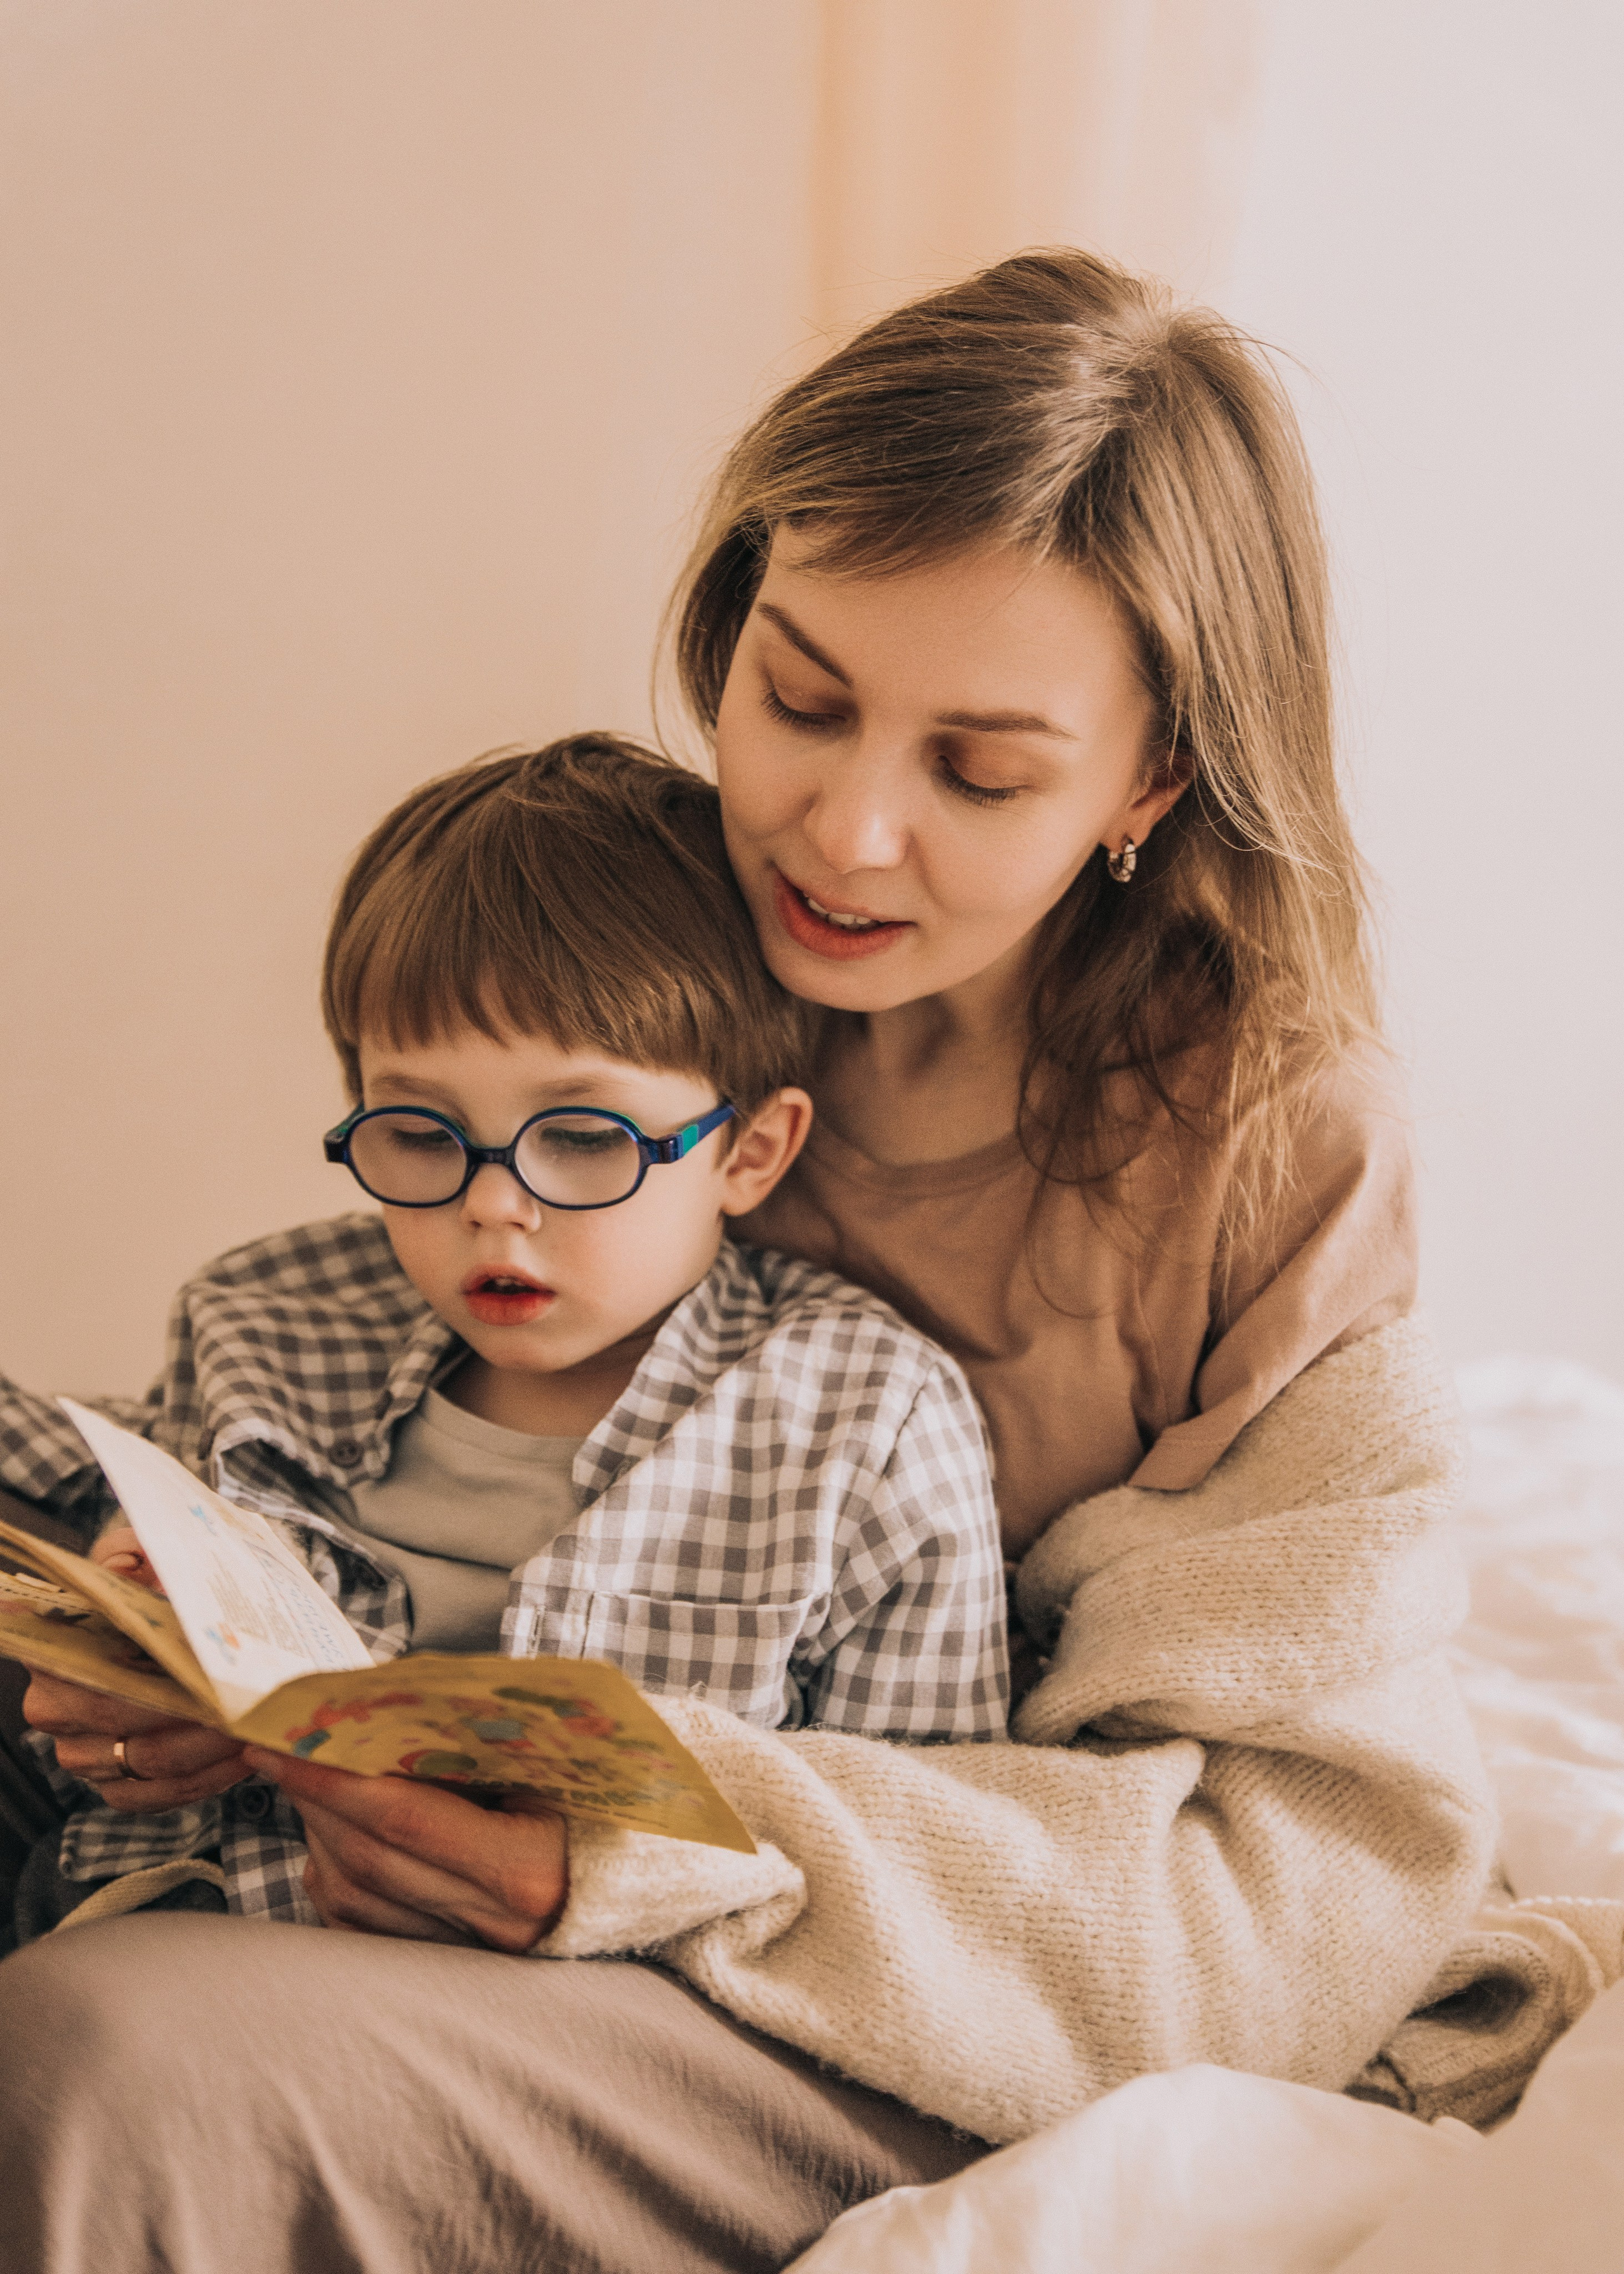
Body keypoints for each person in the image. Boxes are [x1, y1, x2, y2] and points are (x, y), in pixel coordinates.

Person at [0, 249, 1491, 2273]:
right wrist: (164, 1653)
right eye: (797, 697)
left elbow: (1291, 1903)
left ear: (1151, 782)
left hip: (849, 2005)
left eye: (979, 772)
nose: (842, 833)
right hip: (372, 1889)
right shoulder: (647, 954)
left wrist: (639, 1858)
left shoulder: (1275, 1151)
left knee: (102, 2066)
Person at [1, 736, 1007, 1941]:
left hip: (576, 2017)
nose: (494, 1203)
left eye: (584, 1137)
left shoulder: (866, 1420)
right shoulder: (261, 1318)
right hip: (155, 1900)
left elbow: (930, 1863)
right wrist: (131, 1647)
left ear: (749, 1153)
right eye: (421, 1136)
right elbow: (109, 1509)